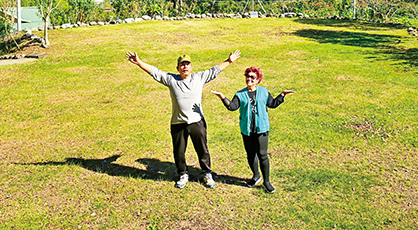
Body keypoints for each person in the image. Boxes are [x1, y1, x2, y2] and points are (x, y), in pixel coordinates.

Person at [126, 49, 241, 189]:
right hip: (178, 123)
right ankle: (183, 174)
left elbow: (214, 70)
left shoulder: (199, 77)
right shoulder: (171, 79)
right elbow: (154, 71)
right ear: (178, 68)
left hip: (197, 121)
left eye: (187, 64)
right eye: (182, 64)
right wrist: (139, 62)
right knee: (179, 151)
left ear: (191, 67)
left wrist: (229, 61)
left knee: (202, 149)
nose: (185, 67)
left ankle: (207, 173)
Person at [211, 66, 295, 193]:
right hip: (247, 130)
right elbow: (232, 107)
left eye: (252, 77)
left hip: (262, 129)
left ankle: (266, 181)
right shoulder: (240, 94)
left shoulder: (264, 92)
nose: (249, 79)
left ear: (257, 80)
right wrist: (223, 97)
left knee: (262, 155)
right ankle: (256, 176)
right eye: (247, 76)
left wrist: (282, 95)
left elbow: (272, 104)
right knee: (251, 155)